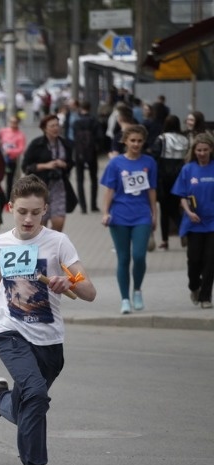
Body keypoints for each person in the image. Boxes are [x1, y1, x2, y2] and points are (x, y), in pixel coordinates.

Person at [0, 174, 97, 465]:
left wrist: (67, 281)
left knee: (30, 403)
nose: (28, 219)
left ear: (45, 211)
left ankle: (1, 401)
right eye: (22, 211)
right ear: (11, 207)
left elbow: (88, 292)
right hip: (10, 332)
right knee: (37, 397)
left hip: (50, 340)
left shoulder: (59, 243)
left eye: (36, 213)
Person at [100, 124, 157, 314]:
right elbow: (110, 190)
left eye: (140, 141)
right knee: (123, 258)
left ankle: (137, 290)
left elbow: (151, 190)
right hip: (120, 216)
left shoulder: (149, 162)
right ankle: (125, 299)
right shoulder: (116, 163)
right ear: (125, 141)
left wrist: (154, 214)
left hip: (141, 215)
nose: (136, 144)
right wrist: (105, 212)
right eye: (133, 140)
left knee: (139, 255)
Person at [172, 132, 214, 308]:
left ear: (211, 150)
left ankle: (205, 297)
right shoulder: (188, 169)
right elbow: (182, 195)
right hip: (194, 223)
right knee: (194, 260)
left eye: (205, 150)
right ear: (194, 150)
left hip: (212, 223)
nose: (202, 153)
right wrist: (189, 212)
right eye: (199, 150)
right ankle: (194, 286)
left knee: (210, 260)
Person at [21, 114, 76, 232]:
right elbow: (26, 166)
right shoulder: (36, 144)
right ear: (45, 128)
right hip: (40, 188)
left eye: (57, 125)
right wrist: (46, 166)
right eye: (52, 126)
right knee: (40, 223)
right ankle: (41, 246)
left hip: (59, 186)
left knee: (59, 221)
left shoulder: (65, 144)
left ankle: (53, 244)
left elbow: (71, 163)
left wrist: (64, 164)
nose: (56, 128)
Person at [152, 115, 189, 250]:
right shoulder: (184, 139)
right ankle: (182, 232)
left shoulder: (162, 139)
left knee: (165, 209)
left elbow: (155, 156)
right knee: (175, 207)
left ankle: (165, 240)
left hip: (164, 178)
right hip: (179, 176)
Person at [71, 101, 100, 214]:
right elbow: (100, 137)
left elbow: (72, 136)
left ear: (81, 108)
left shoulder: (76, 122)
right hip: (92, 152)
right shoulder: (94, 121)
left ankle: (83, 206)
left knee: (80, 180)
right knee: (94, 178)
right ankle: (93, 205)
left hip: (79, 153)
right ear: (90, 108)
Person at [0, 115, 27, 198]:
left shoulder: (20, 135)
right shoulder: (4, 131)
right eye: (11, 122)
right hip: (1, 159)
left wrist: (10, 151)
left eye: (15, 123)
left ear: (18, 123)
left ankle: (8, 198)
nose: (13, 124)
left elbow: (21, 149)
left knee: (10, 181)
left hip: (12, 160)